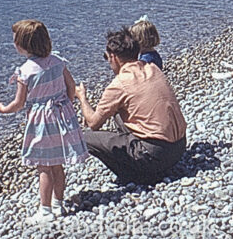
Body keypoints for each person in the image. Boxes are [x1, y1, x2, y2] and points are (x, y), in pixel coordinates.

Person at [0, 19, 89, 225]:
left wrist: (4, 109)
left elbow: (19, 103)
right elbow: (71, 87)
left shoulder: (26, 71)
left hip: (42, 122)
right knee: (58, 164)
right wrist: (65, 104)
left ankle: (45, 210)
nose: (13, 44)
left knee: (44, 166)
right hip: (62, 115)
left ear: (23, 45)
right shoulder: (57, 61)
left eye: (15, 41)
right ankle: (59, 204)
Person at [75, 27, 186, 184]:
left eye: (106, 57)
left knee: (83, 138)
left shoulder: (119, 84)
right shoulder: (153, 68)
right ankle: (141, 162)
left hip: (156, 155)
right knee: (119, 112)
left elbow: (93, 123)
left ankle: (134, 176)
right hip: (179, 147)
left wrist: (82, 98)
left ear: (113, 57)